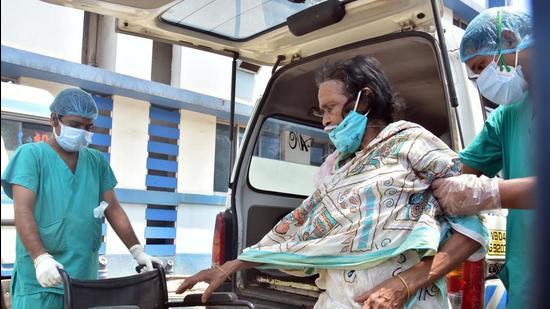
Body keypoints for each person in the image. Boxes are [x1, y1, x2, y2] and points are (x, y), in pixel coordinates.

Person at [176, 56, 488, 308]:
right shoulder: (338, 167)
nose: (324, 120)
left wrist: (405, 283)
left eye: (330, 108)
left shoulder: (413, 143)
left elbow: (470, 230)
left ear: (364, 101)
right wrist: (230, 266)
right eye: (321, 111)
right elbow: (304, 223)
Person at [1, 88, 161, 309]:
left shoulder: (96, 162)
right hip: (41, 283)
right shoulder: (31, 156)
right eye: (75, 125)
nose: (82, 132)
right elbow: (23, 210)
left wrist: (137, 251)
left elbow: (112, 208)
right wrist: (40, 258)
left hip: (83, 284)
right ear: (54, 120)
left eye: (88, 127)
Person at [431, 7, 535, 308]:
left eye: (481, 65)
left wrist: (487, 193)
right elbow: (457, 173)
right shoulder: (507, 117)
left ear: (508, 38)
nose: (483, 80)